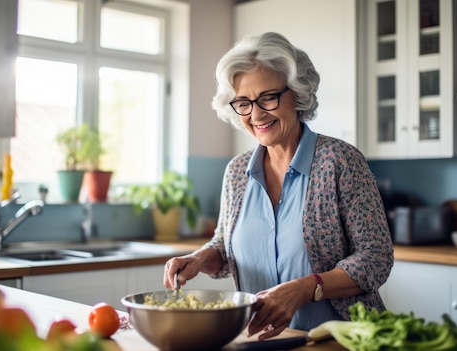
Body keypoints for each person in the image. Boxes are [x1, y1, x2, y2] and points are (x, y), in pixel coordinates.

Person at [163, 32, 393, 340]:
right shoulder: (236, 173)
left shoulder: (340, 162)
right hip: (261, 342)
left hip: (340, 341)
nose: (256, 114)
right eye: (243, 102)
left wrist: (305, 288)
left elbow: (376, 257)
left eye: (268, 97)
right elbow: (224, 245)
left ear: (297, 94)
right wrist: (199, 259)